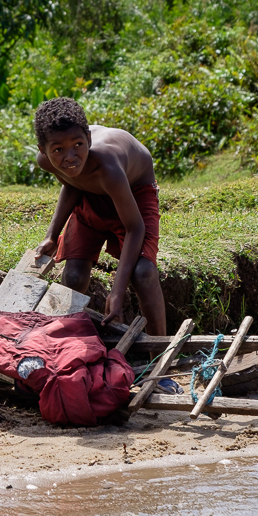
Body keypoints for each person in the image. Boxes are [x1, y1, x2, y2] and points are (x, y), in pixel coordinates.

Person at [32, 97, 181, 393]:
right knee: (73, 276)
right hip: (91, 197)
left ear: (88, 137)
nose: (70, 156)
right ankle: (68, 355)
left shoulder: (108, 165)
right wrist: (52, 234)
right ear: (43, 151)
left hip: (133, 195)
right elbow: (71, 182)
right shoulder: (47, 162)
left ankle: (159, 364)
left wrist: (116, 292)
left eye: (78, 145)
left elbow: (135, 227)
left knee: (142, 272)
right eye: (58, 150)